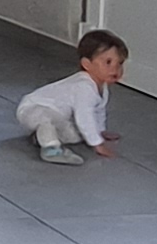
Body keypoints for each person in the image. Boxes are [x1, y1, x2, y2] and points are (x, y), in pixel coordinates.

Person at [18, 31, 127, 163]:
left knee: (76, 134)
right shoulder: (84, 87)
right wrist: (97, 144)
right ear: (87, 64)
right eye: (108, 62)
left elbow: (98, 110)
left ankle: (40, 137)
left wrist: (100, 131)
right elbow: (85, 116)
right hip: (33, 107)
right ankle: (51, 148)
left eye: (120, 63)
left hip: (59, 115)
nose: (115, 69)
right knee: (46, 118)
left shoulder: (102, 87)